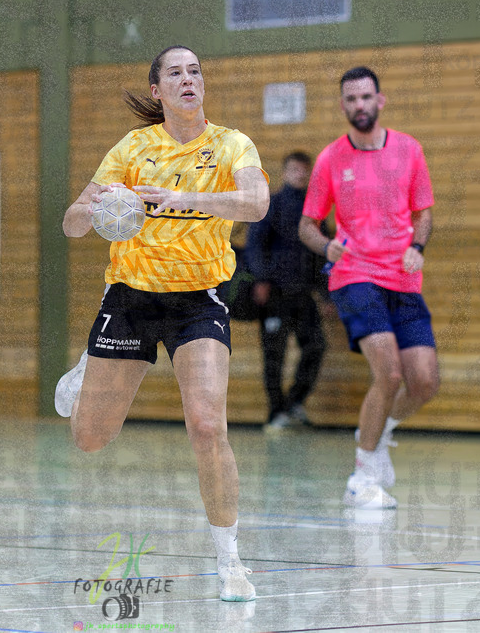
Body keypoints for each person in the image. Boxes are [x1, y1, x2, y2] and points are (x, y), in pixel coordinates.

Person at [55, 45, 269, 602]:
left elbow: (256, 204)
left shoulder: (230, 144)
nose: (188, 79)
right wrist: (104, 211)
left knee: (206, 424)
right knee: (90, 439)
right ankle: (85, 370)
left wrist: (177, 196)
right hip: (130, 298)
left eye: (195, 70)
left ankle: (230, 564)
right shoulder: (132, 148)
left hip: (198, 300)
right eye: (174, 72)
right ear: (157, 91)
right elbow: (72, 223)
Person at [299, 66, 440, 510]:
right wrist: (327, 248)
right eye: (350, 99)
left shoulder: (409, 150)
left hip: (403, 278)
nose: (358, 105)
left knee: (424, 382)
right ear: (343, 106)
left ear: (380, 101)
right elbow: (307, 225)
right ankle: (362, 476)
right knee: (390, 373)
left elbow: (424, 213)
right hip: (355, 277)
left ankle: (377, 434)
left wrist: (418, 245)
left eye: (365, 97)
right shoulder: (329, 160)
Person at [245, 151, 329, 432]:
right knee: (274, 356)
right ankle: (275, 413)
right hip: (275, 295)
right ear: (285, 172)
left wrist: (327, 293)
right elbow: (255, 244)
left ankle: (294, 402)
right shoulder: (271, 205)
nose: (299, 175)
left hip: (304, 295)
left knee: (316, 345)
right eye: (294, 170)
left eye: (304, 171)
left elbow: (323, 253)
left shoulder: (314, 209)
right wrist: (261, 279)